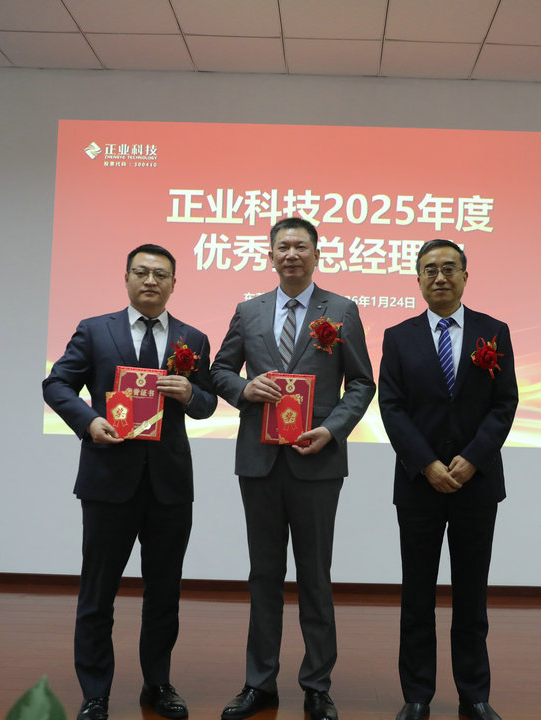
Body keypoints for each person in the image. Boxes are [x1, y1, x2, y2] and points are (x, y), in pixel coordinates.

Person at [42, 244, 218, 720]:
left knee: (165, 592)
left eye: (161, 274)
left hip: (169, 485)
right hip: (108, 480)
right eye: (141, 272)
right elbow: (56, 384)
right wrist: (88, 421)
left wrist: (190, 393)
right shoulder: (95, 330)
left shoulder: (192, 338)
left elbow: (207, 404)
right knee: (98, 592)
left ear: (174, 283)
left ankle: (157, 684)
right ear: (126, 278)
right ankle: (95, 692)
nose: (150, 280)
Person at [211, 217, 376, 720]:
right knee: (263, 574)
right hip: (259, 463)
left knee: (315, 576)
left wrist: (333, 429)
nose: (291, 254)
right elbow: (219, 370)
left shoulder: (341, 310)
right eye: (282, 246)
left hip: (316, 461)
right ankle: (259, 682)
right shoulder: (249, 311)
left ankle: (317, 685)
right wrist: (244, 389)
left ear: (316, 254)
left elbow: (362, 383)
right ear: (270, 255)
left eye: (301, 246)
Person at [377, 239, 519, 720]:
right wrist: (427, 464)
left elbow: (504, 403)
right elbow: (391, 407)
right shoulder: (399, 337)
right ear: (418, 280)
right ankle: (417, 694)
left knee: (471, 595)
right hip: (419, 485)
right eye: (430, 270)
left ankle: (474, 694)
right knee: (417, 594)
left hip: (476, 485)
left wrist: (473, 458)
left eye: (449, 268)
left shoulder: (492, 332)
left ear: (465, 276)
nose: (440, 277)